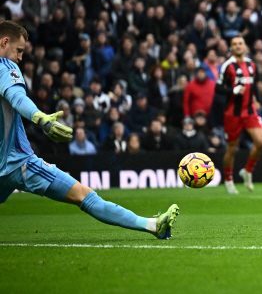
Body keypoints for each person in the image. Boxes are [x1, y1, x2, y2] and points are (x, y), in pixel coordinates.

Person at [0, 21, 178, 238]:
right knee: (84, 195)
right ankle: (152, 225)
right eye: (18, 51)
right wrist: (41, 118)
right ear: (4, 42)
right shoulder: (5, 66)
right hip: (18, 163)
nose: (20, 58)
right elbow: (17, 98)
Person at [216, 36, 262, 194]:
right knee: (232, 148)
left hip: (250, 110)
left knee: (261, 142)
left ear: (245, 46)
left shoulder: (252, 65)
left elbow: (254, 85)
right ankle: (229, 180)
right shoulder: (227, 66)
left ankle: (247, 171)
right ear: (231, 47)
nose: (238, 46)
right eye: (235, 44)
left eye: (240, 43)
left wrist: (256, 99)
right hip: (233, 113)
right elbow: (218, 89)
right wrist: (233, 90)